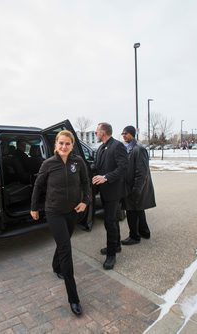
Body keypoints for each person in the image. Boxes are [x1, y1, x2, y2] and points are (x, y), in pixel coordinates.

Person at [30, 130, 90, 316]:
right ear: (55, 144)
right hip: (54, 212)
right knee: (66, 249)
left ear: (72, 145)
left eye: (68, 144)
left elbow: (86, 184)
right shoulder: (48, 164)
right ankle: (74, 298)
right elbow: (38, 186)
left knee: (63, 243)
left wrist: (85, 201)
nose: (64, 147)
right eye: (61, 143)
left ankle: (56, 266)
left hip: (72, 212)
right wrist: (34, 208)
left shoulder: (78, 162)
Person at [92, 122, 128, 270]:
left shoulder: (117, 146)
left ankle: (111, 255)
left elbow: (123, 168)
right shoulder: (101, 147)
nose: (96, 134)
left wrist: (106, 177)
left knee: (109, 222)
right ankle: (116, 245)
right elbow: (97, 165)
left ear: (103, 132)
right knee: (112, 220)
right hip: (104, 191)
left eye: (97, 132)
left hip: (113, 191)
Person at [119, 126, 156, 246]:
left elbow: (142, 172)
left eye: (126, 133)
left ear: (132, 134)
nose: (124, 135)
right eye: (122, 133)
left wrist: (136, 189)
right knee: (139, 209)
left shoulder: (138, 149)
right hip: (134, 186)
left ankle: (134, 236)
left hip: (136, 187)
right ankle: (145, 232)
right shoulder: (129, 148)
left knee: (131, 211)